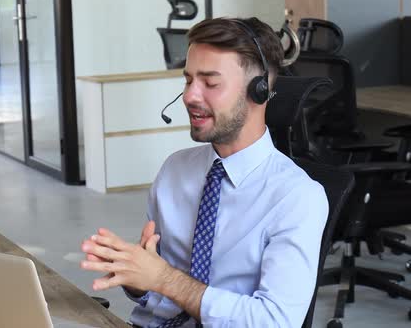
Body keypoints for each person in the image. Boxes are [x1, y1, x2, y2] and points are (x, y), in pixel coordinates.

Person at [80, 17, 328, 328]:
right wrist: (139, 280)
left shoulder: (297, 197)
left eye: (210, 83)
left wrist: (165, 279)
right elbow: (161, 295)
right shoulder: (175, 170)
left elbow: (274, 321)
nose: (190, 96)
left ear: (259, 90)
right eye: (188, 80)